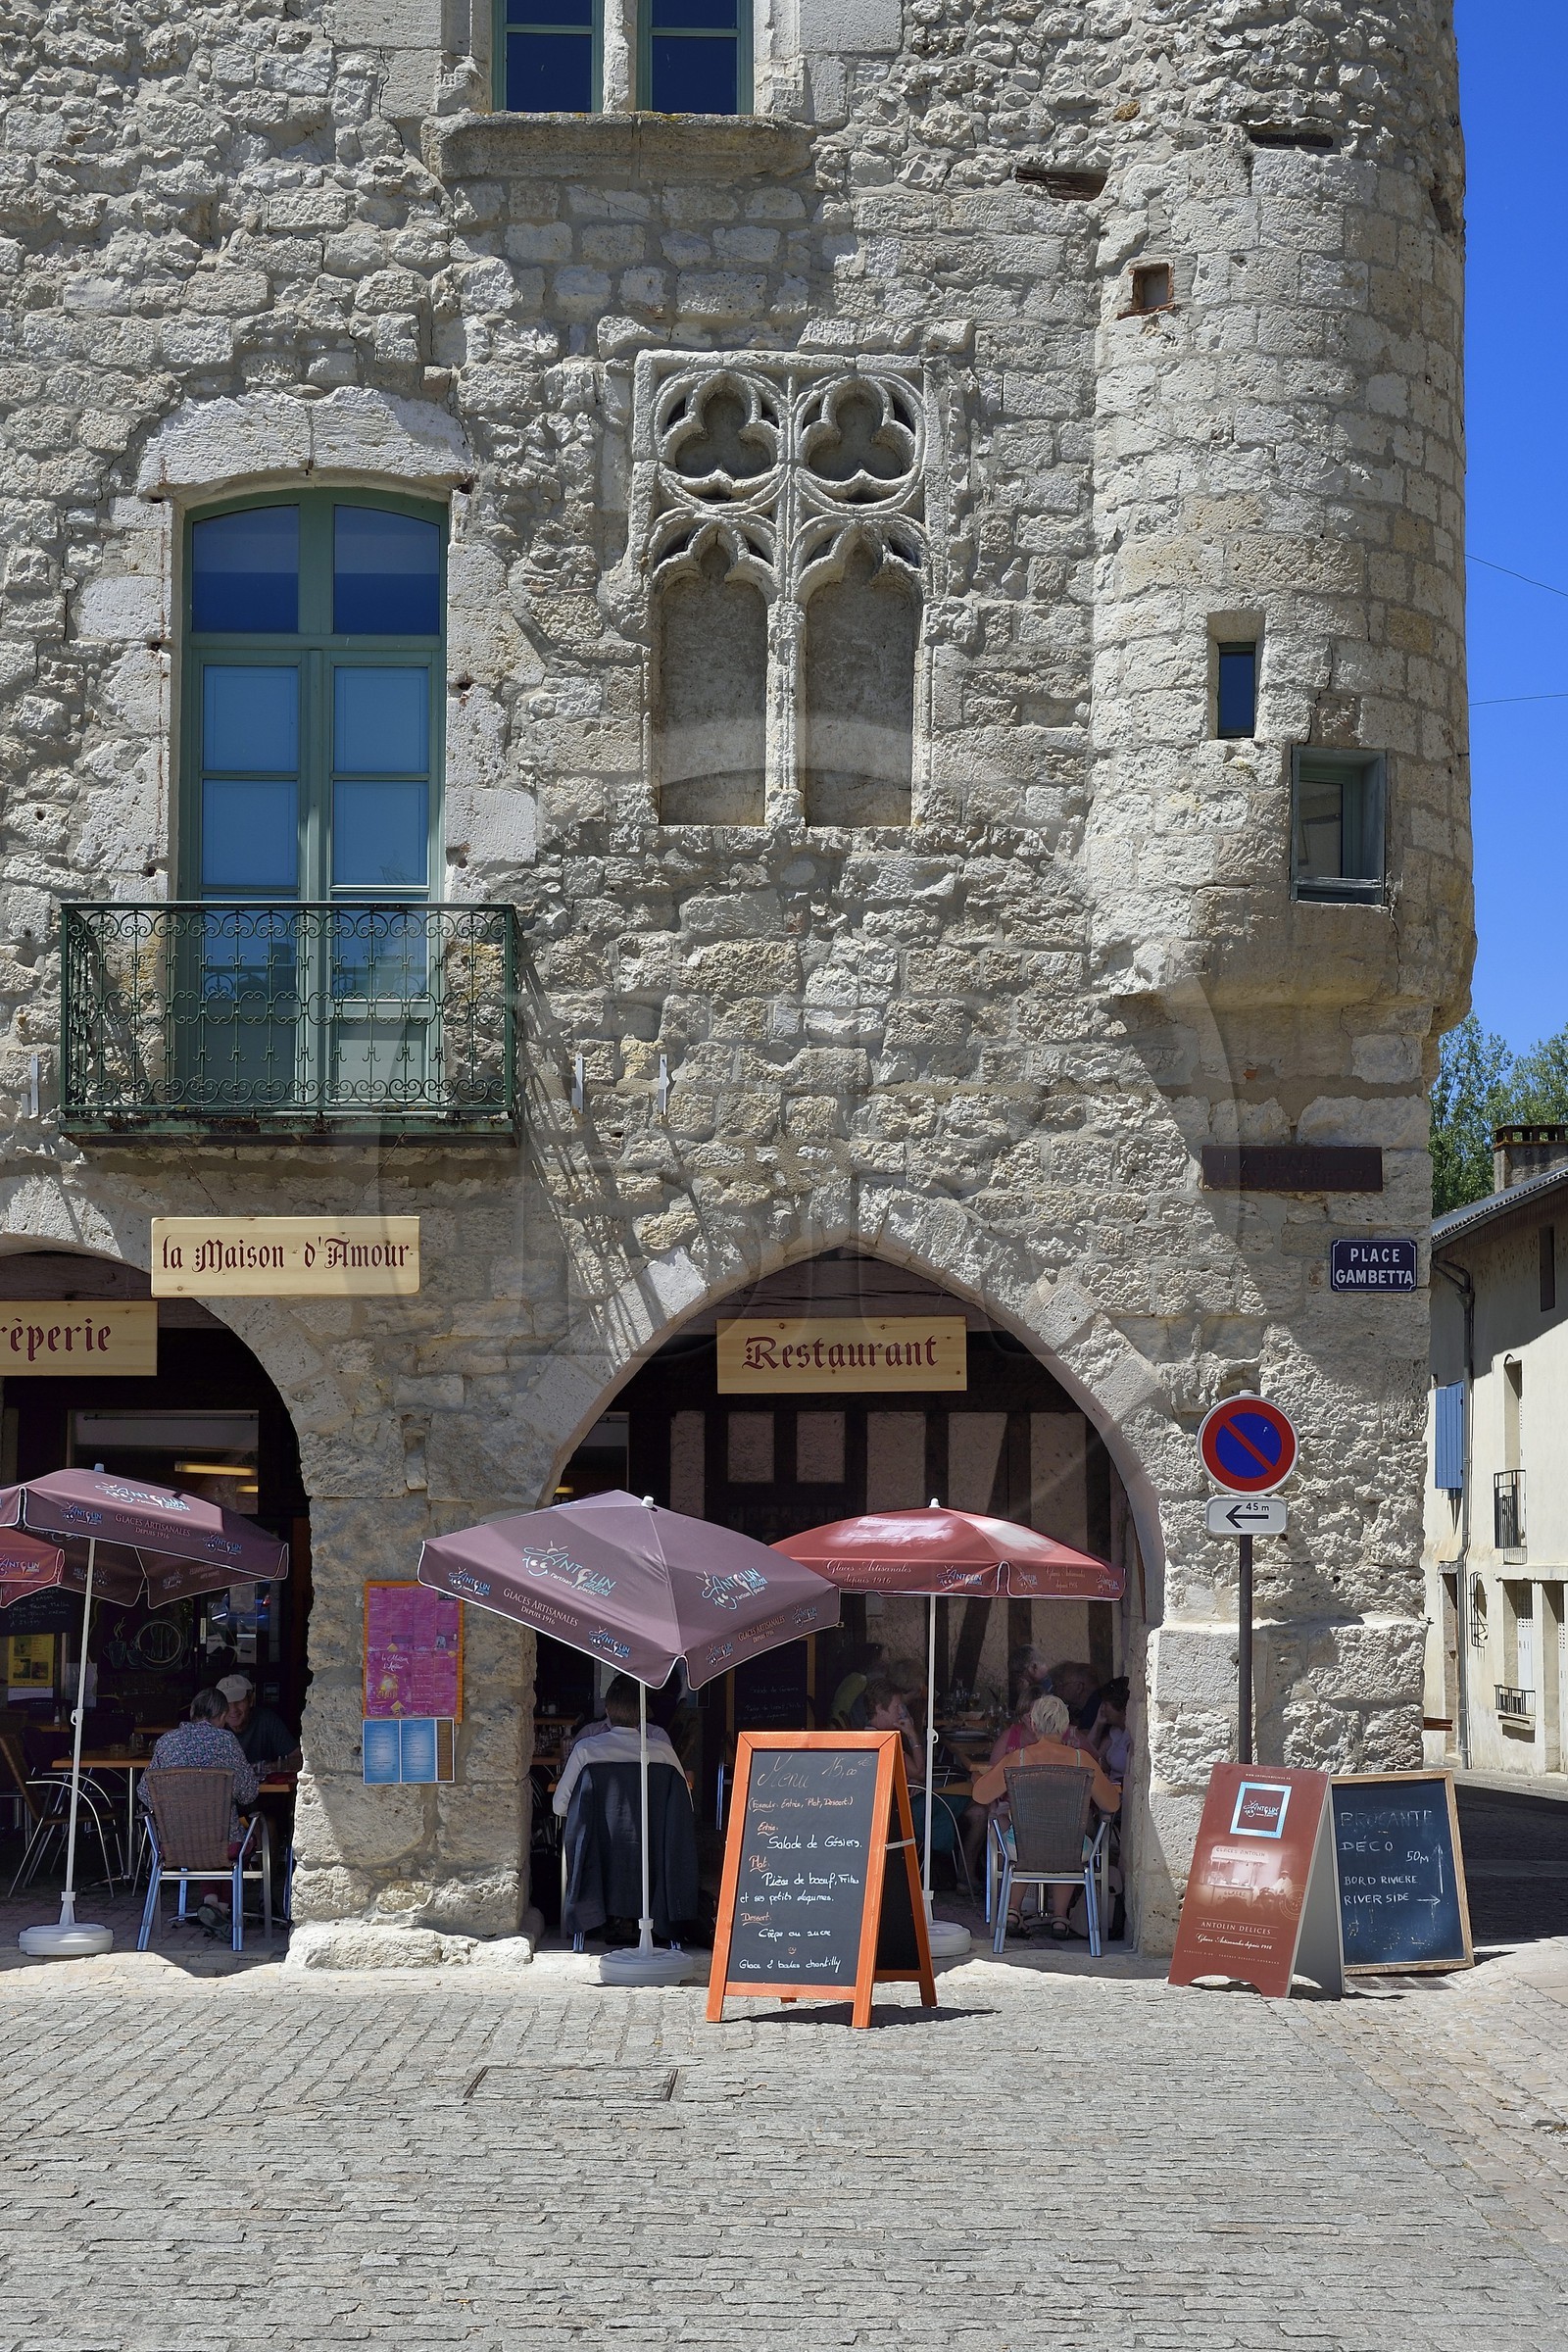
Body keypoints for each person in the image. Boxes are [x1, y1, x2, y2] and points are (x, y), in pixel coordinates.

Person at [970, 1693, 1120, 1940]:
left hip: (1022, 1846)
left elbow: (981, 1796)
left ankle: (1012, 1911)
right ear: (1065, 1726)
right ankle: (1060, 1917)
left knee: (1021, 1838)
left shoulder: (1017, 1758)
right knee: (1069, 1840)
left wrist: (978, 1778)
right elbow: (1111, 1804)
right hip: (1071, 1848)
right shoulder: (1082, 1760)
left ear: (1033, 1724)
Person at [552, 1675, 686, 1820]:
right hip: (651, 1839)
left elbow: (560, 1806)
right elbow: (684, 1804)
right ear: (644, 1709)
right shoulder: (663, 1752)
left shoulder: (585, 1751)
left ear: (607, 1711)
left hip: (601, 1840)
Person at [216, 1673, 302, 1773]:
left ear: (251, 1700)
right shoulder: (214, 1727)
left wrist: (268, 1767)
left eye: (239, 1701)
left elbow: (297, 1759)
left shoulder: (266, 1719)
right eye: (227, 1703)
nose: (233, 1709)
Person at [828, 1642, 887, 1729]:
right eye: (883, 1660)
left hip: (839, 1725)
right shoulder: (861, 1681)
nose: (886, 1663)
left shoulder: (853, 1677)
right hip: (844, 1728)